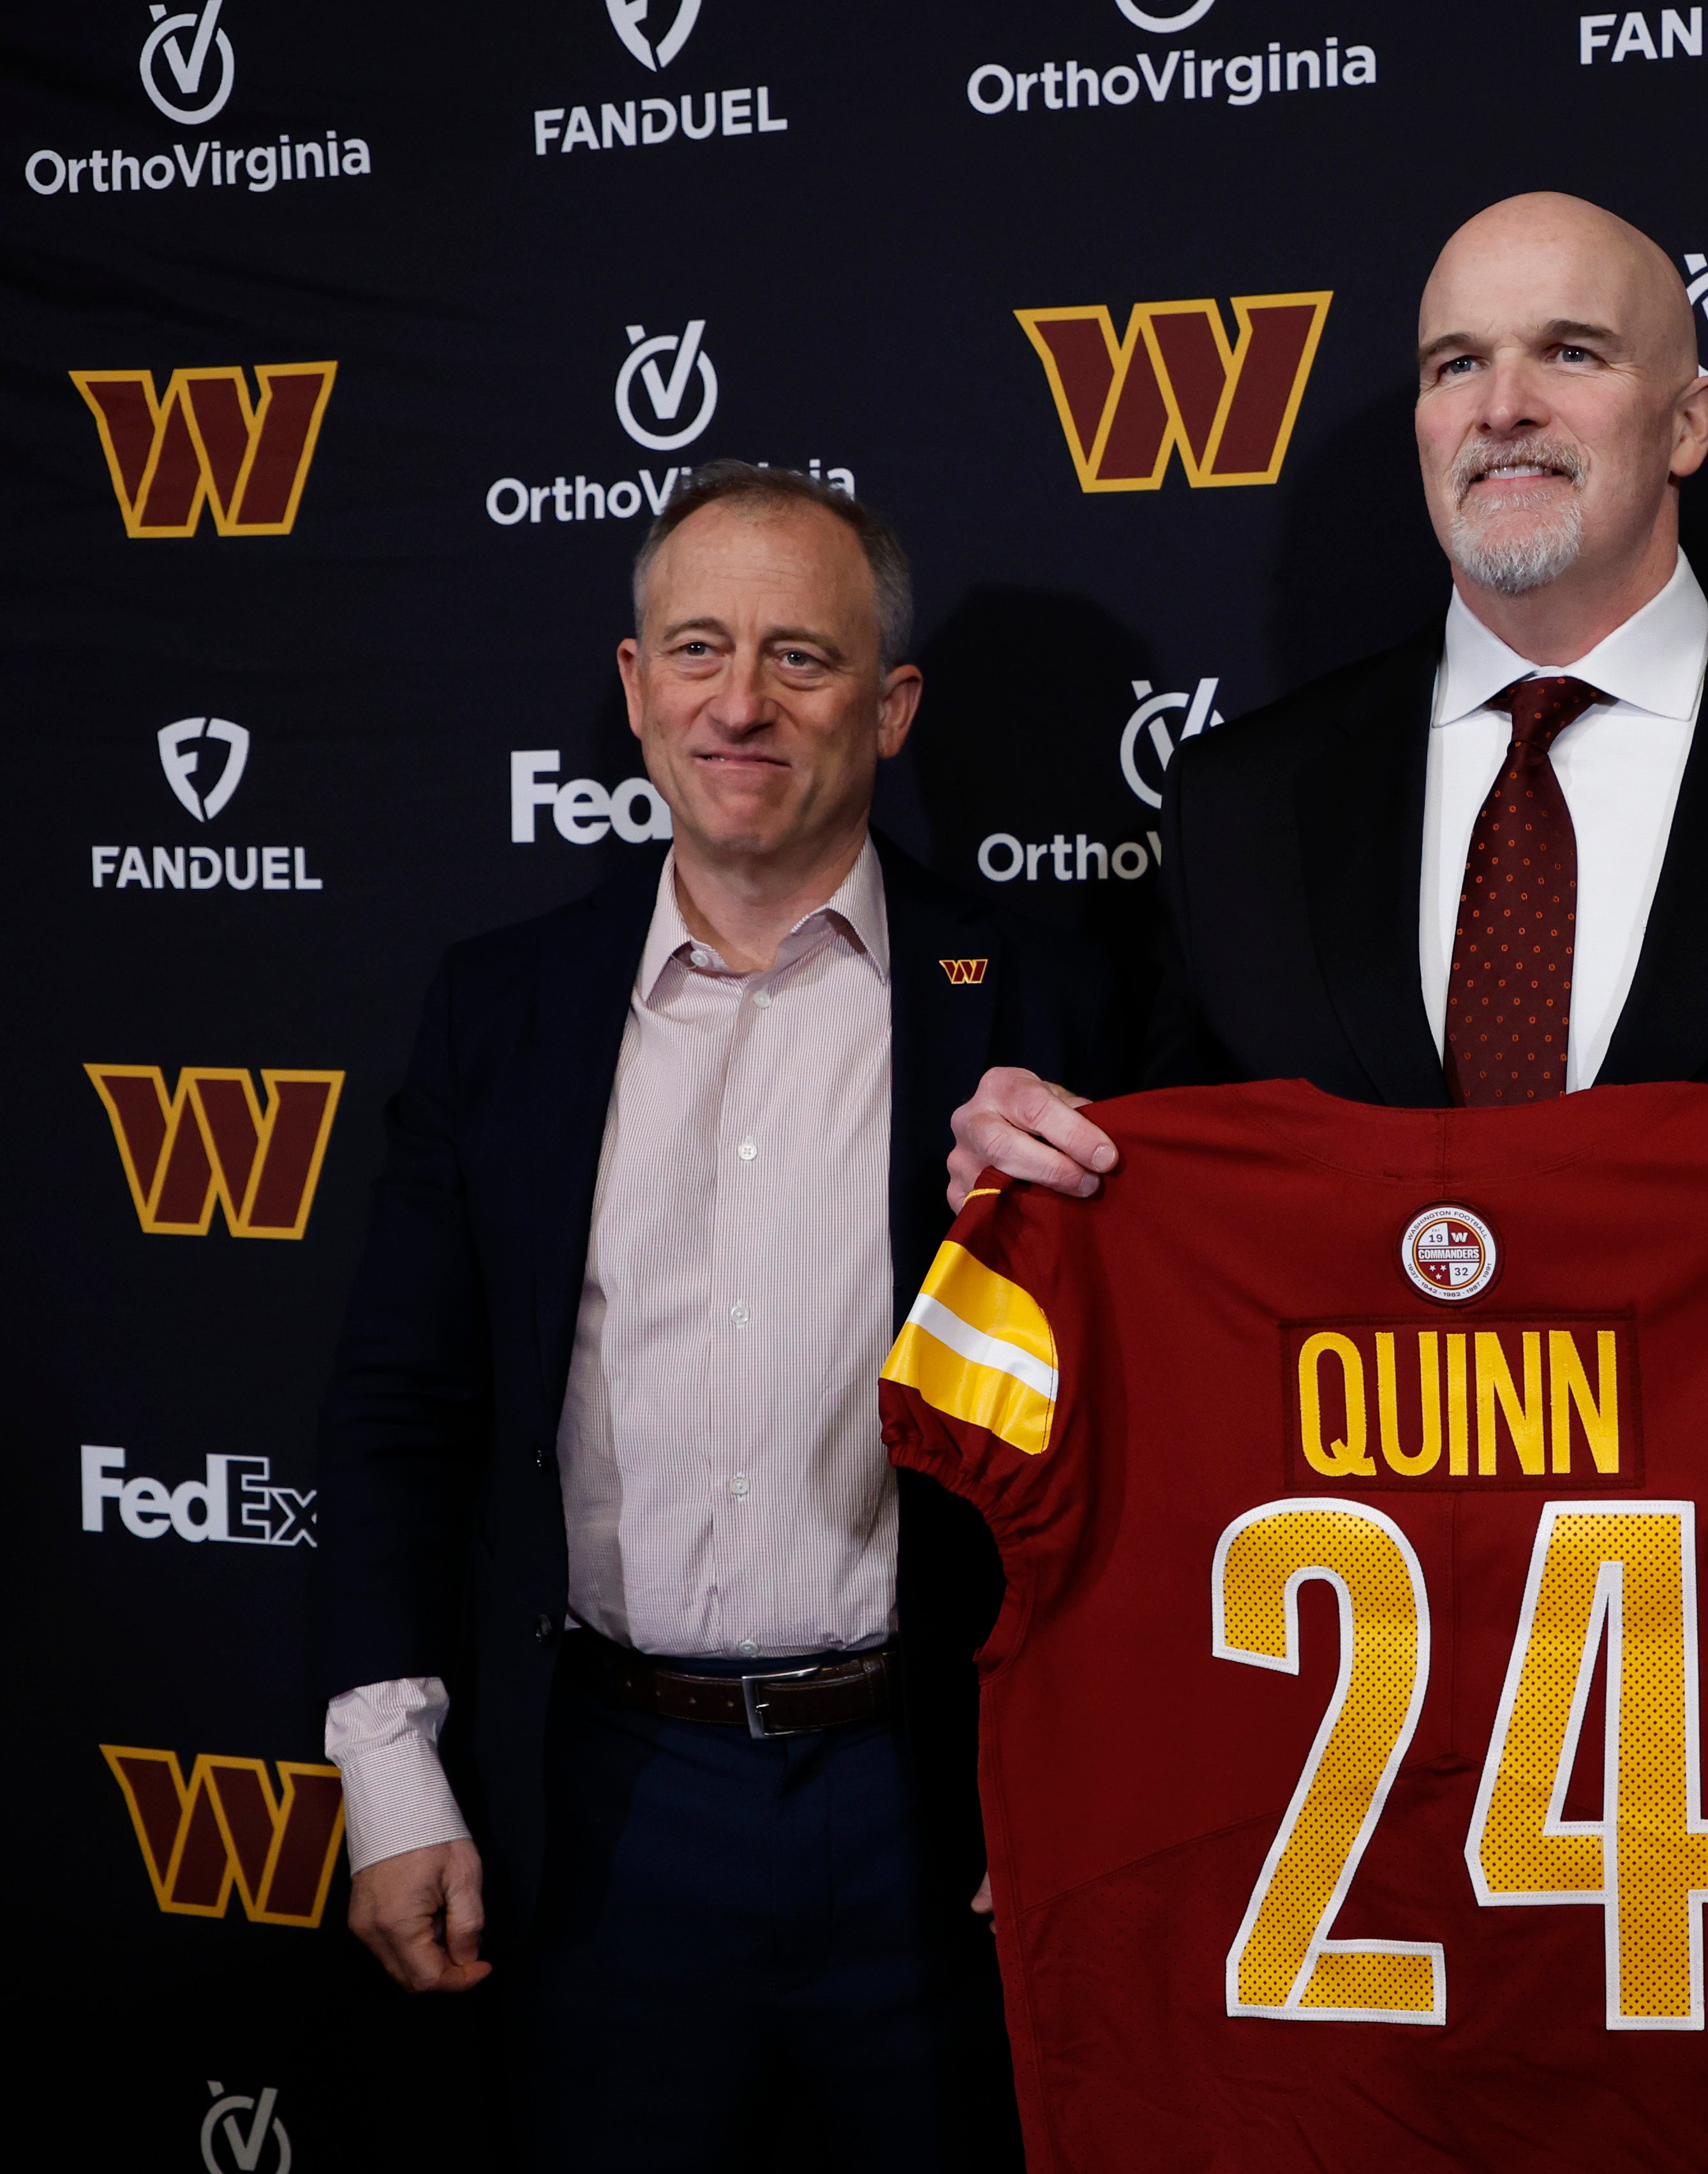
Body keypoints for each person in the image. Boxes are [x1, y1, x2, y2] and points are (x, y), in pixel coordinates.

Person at [313, 462, 1116, 2170]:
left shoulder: (1051, 998)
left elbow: (1155, 1439)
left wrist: (1069, 1783)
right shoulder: (499, 1006)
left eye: (800, 659)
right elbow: (400, 1405)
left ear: (892, 707)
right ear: (632, 688)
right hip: (601, 1808)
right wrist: (387, 1770)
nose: (738, 703)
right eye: (696, 649)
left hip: (930, 1814)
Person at [944, 191, 1708, 1283]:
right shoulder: (1234, 804)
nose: (1503, 407)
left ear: (1689, 423)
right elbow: (1171, 1213)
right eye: (1457, 364)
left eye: (1572, 353)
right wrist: (1054, 1174)